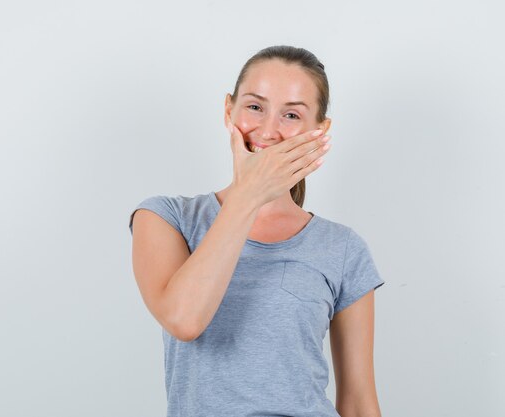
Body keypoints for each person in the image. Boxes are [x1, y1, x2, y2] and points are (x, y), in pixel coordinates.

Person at [128, 45, 385, 417]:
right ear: (228, 109)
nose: (268, 129)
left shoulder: (343, 248)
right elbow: (184, 319)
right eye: (254, 106)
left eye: (292, 114)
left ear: (319, 130)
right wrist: (249, 196)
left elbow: (360, 402)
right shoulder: (166, 218)